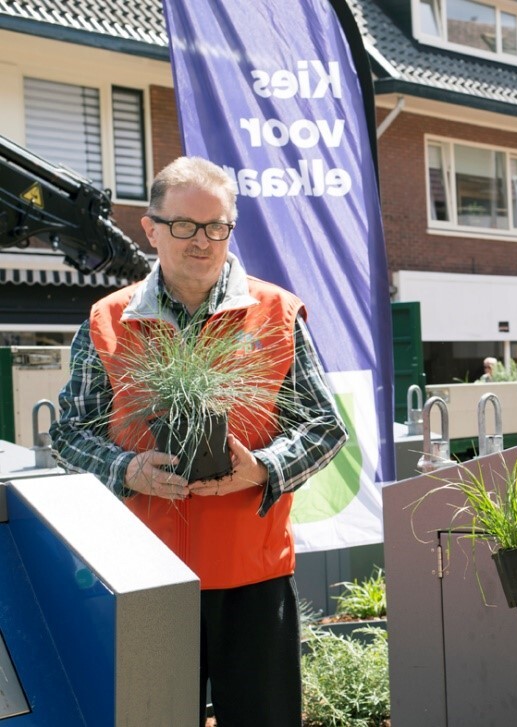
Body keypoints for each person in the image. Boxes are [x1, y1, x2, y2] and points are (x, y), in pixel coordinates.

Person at [50, 156, 347, 727]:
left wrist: (261, 467)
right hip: (144, 574)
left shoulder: (276, 314)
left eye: (217, 226)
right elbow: (70, 431)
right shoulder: (109, 319)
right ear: (151, 227)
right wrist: (127, 469)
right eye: (184, 225)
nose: (202, 241)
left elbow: (324, 426)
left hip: (252, 574)